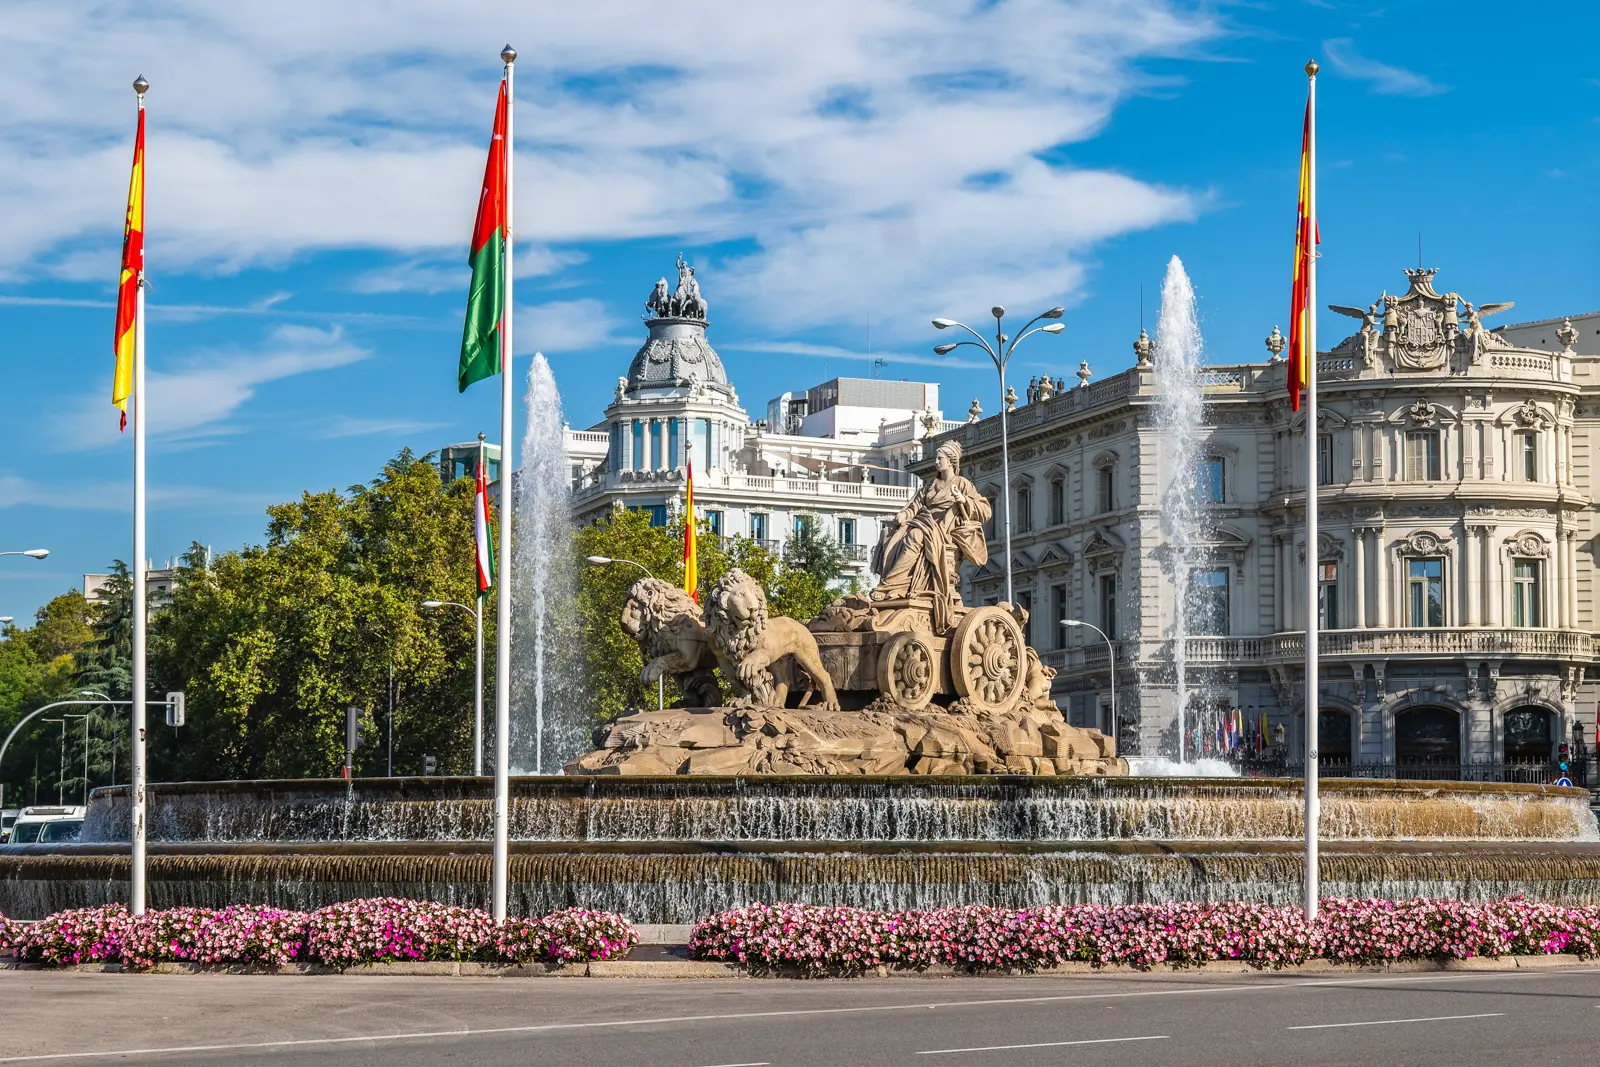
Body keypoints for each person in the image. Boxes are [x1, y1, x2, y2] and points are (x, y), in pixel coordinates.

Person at [871, 440, 992, 632]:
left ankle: (891, 585)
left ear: (951, 461)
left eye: (940, 458)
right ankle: (897, 587)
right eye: (936, 458)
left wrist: (964, 500)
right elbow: (915, 506)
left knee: (916, 536)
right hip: (925, 523)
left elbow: (985, 511)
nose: (936, 462)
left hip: (944, 533)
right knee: (888, 534)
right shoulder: (930, 485)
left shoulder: (962, 484)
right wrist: (903, 515)